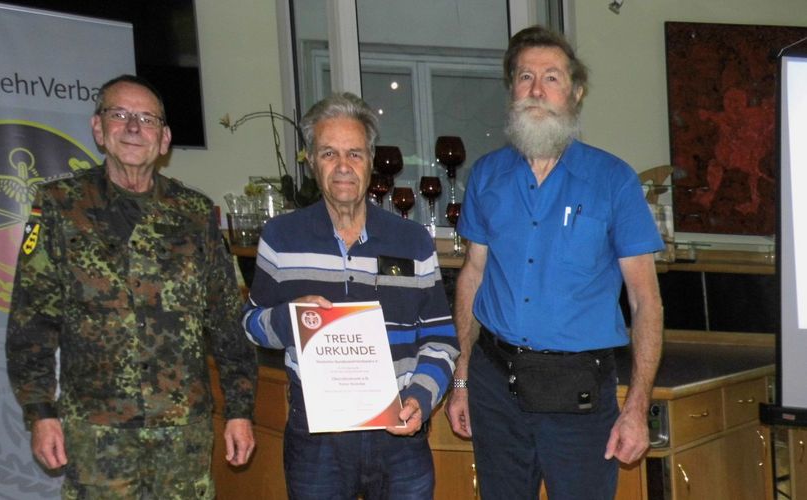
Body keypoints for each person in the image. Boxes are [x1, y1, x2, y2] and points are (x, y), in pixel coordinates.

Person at [6, 74, 257, 498]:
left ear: (165, 139)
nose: (134, 128)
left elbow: (228, 321)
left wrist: (240, 410)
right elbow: (31, 322)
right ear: (99, 129)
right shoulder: (59, 206)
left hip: (183, 432)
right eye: (120, 115)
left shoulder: (195, 213)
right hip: (97, 433)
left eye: (147, 119)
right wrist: (40, 411)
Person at [444, 26, 664, 500]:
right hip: (494, 388)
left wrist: (637, 406)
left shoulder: (614, 181)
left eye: (552, 78)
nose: (537, 90)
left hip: (579, 395)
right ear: (512, 90)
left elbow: (645, 301)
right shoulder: (487, 175)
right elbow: (473, 277)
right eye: (525, 77)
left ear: (576, 93)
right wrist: (460, 376)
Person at [242, 92, 459, 499]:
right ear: (310, 160)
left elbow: (441, 340)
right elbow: (251, 323)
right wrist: (290, 318)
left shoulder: (413, 241)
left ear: (371, 160)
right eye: (329, 153)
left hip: (399, 431)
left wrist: (420, 399)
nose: (343, 166)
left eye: (355, 154)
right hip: (316, 438)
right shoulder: (280, 238)